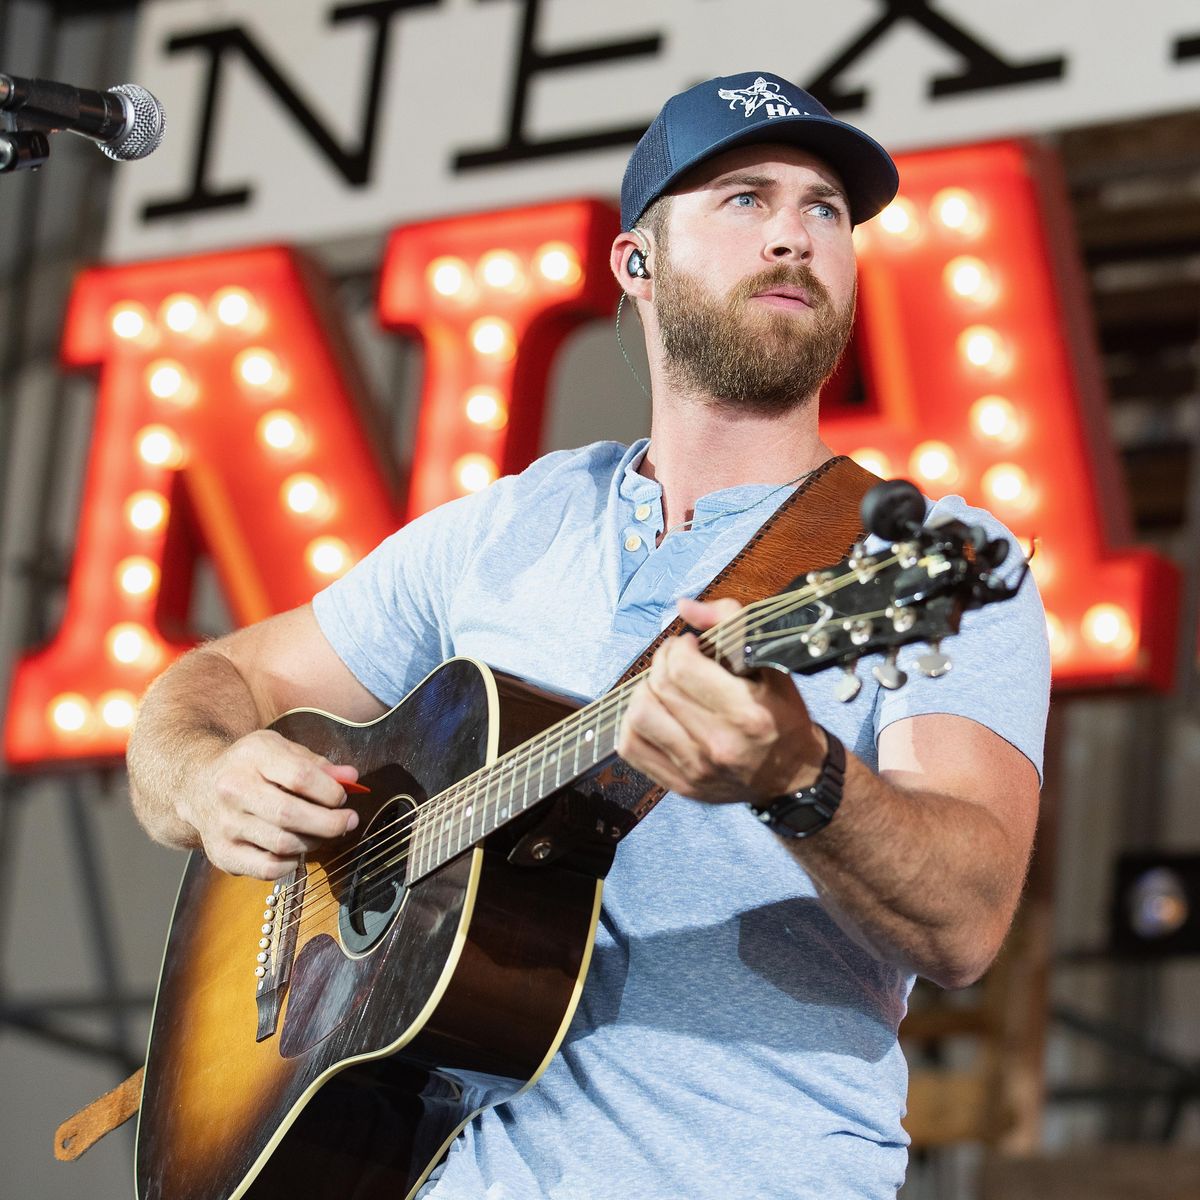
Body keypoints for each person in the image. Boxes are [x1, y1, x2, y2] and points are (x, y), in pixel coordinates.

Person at [128, 70, 1050, 1199]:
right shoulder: (507, 527)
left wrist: (799, 775)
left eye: (825, 209)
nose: (795, 237)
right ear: (636, 264)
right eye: (746, 199)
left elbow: (967, 922)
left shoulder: (926, 558)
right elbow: (217, 678)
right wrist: (204, 775)